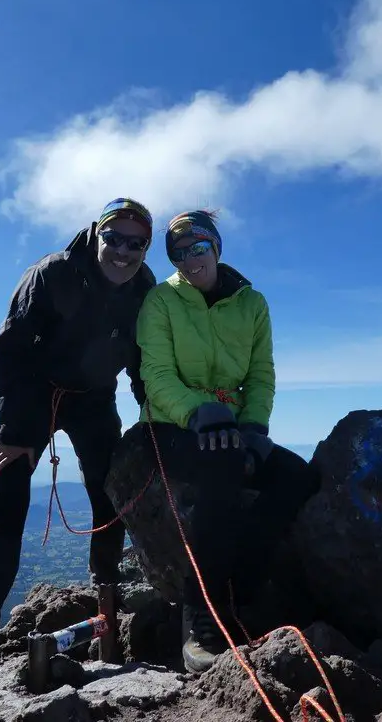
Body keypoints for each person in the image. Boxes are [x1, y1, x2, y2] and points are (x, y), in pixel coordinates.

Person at [0, 198, 157, 667]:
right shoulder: (52, 274)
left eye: (135, 243)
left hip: (96, 398)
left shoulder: (145, 288)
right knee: (7, 492)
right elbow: (10, 352)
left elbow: (145, 362)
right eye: (114, 238)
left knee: (112, 492)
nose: (123, 251)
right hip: (35, 392)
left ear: (146, 248)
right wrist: (12, 426)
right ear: (96, 234)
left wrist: (153, 416)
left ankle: (107, 597)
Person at [135, 209, 320, 674]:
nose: (189, 259)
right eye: (178, 252)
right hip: (173, 425)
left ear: (216, 247)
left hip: (235, 428)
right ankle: (201, 618)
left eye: (198, 247)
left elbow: (261, 373)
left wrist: (255, 428)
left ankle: (243, 585)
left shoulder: (251, 303)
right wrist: (198, 411)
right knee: (221, 470)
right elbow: (155, 375)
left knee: (296, 478)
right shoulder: (161, 301)